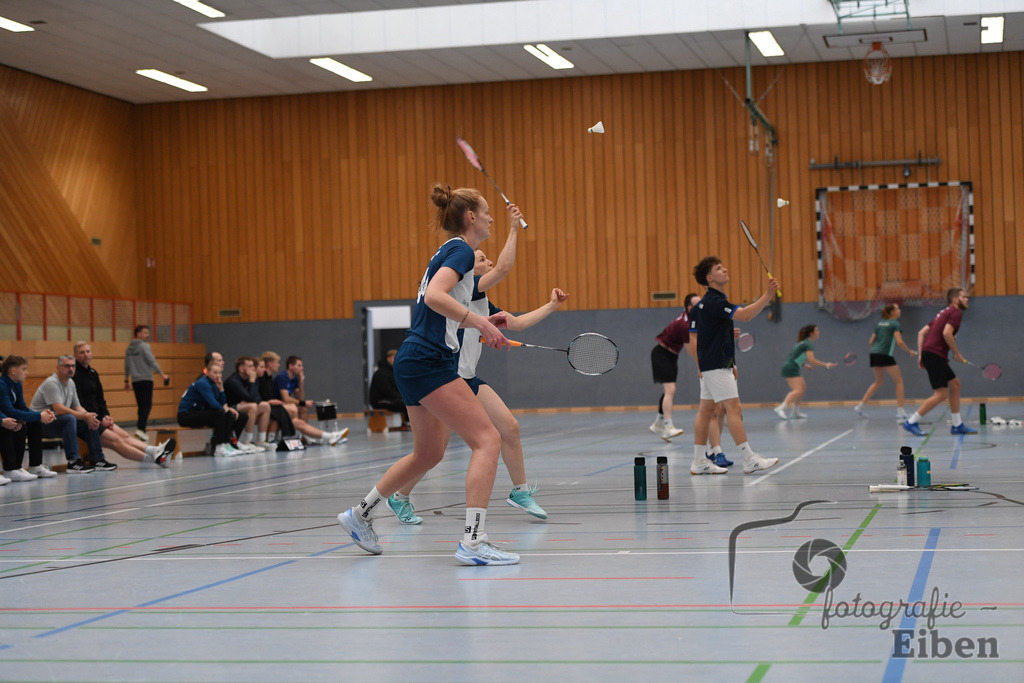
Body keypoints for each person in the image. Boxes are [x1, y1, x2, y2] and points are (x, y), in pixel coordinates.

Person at [337, 184, 519, 566]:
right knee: (487, 440)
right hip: (427, 360)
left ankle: (361, 513)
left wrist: (483, 321)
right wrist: (480, 324)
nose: (490, 217)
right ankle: (473, 540)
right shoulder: (462, 250)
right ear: (470, 217)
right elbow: (436, 296)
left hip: (415, 358)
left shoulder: (451, 252)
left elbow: (446, 305)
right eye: (486, 212)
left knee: (429, 452)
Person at [388, 242, 569, 525]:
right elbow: (503, 269)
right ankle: (399, 496)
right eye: (482, 259)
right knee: (433, 452)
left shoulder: (481, 301)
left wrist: (551, 305)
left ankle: (520, 491)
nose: (488, 262)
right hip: (447, 380)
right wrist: (512, 228)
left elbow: (517, 324)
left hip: (468, 378)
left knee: (509, 427)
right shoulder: (468, 287)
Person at [689, 256, 780, 475]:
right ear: (710, 278)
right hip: (717, 365)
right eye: (719, 268)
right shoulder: (716, 301)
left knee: (706, 410)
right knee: (734, 408)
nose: (725, 269)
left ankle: (699, 461)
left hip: (714, 364)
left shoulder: (703, 305)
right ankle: (749, 458)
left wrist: (731, 360)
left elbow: (707, 336)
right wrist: (768, 295)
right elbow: (746, 315)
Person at [74, 341, 176, 467]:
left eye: (88, 351)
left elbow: (101, 399)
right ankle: (156, 459)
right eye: (82, 352)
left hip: (99, 419)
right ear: (76, 356)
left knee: (125, 435)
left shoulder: (93, 373)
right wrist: (99, 419)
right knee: (117, 440)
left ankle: (155, 451)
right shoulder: (74, 376)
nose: (85, 355)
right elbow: (79, 403)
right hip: (87, 421)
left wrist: (106, 416)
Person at [902, 288, 977, 436]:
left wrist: (921, 355)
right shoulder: (955, 313)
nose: (967, 299)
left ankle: (957, 425)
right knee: (941, 394)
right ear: (955, 300)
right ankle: (911, 422)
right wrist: (957, 354)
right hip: (935, 354)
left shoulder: (942, 313)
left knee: (955, 385)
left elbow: (921, 332)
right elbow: (946, 333)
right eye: (963, 297)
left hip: (932, 354)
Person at [30, 355, 114, 472]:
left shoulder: (70, 383)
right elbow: (59, 409)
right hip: (39, 424)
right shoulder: (52, 383)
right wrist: (84, 416)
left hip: (56, 421)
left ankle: (97, 459)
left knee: (89, 419)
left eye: (73, 366)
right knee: (70, 418)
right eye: (67, 366)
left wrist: (89, 416)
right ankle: (74, 462)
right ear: (58, 367)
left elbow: (77, 406)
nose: (71, 369)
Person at [649, 293, 699, 441]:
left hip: (672, 355)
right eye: (698, 305)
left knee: (669, 391)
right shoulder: (685, 324)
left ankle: (658, 423)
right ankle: (668, 426)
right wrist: (700, 366)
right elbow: (691, 351)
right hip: (661, 354)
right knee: (670, 390)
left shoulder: (694, 319)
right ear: (689, 308)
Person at [853, 304, 918, 420]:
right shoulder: (895, 324)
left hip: (874, 353)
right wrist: (909, 351)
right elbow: (899, 342)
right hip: (884, 354)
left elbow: (871, 341)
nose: (899, 310)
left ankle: (860, 406)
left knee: (878, 381)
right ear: (892, 312)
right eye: (898, 308)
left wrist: (878, 348)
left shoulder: (879, 324)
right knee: (899, 382)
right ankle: (900, 411)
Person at [0, 355, 59, 482]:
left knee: (34, 422)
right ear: (13, 371)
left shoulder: (16, 385)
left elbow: (22, 408)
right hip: (4, 419)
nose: (27, 372)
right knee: (13, 425)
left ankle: (35, 466)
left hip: (6, 417)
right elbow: (8, 410)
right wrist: (38, 415)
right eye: (24, 369)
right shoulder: (2, 385)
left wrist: (41, 415)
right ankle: (11, 469)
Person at [177, 360, 249, 457]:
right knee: (221, 413)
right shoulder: (203, 383)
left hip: (197, 413)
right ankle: (218, 446)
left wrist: (221, 389)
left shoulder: (214, 384)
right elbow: (214, 404)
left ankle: (230, 443)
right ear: (207, 372)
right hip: (186, 415)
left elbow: (222, 402)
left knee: (241, 416)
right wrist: (226, 409)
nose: (218, 375)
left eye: (219, 373)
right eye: (215, 373)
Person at [273, 356, 348, 446]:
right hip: (278, 407)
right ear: (291, 366)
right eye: (299, 365)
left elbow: (299, 398)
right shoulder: (283, 377)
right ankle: (329, 436)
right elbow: (285, 398)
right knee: (297, 412)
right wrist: (303, 403)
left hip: (284, 407)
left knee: (303, 409)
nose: (302, 368)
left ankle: (306, 437)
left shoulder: (295, 379)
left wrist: (301, 382)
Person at [774, 325, 837, 420]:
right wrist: (826, 364)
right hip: (791, 367)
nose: (818, 332)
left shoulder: (802, 343)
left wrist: (804, 365)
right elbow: (812, 360)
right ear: (811, 333)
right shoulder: (808, 344)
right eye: (816, 330)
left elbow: (795, 357)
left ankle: (795, 412)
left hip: (792, 366)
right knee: (798, 390)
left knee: (802, 389)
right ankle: (781, 408)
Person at [124, 325, 170, 441]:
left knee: (141, 405)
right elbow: (151, 361)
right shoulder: (144, 346)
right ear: (138, 334)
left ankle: (142, 430)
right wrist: (162, 374)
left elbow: (127, 365)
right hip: (146, 379)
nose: (147, 335)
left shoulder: (129, 348)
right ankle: (141, 428)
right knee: (147, 405)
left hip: (135, 380)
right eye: (145, 332)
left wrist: (126, 379)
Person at [224, 356, 271, 451]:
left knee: (265, 406)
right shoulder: (234, 381)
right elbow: (252, 399)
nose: (253, 368)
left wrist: (250, 396)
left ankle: (261, 440)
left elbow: (258, 398)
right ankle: (247, 441)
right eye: (249, 366)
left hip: (243, 406)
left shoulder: (249, 379)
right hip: (230, 407)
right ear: (241, 369)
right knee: (252, 406)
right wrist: (252, 381)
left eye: (253, 366)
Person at [257, 353, 294, 444]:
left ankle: (274, 437)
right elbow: (260, 395)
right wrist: (269, 401)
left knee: (281, 410)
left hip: (269, 404)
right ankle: (274, 437)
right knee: (283, 410)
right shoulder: (261, 378)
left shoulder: (269, 378)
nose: (279, 365)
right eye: (277, 362)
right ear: (269, 364)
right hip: (263, 405)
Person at [368, 350, 409, 428]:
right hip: (379, 400)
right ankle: (407, 423)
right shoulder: (381, 373)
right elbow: (386, 391)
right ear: (388, 358)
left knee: (408, 401)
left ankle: (406, 422)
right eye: (394, 358)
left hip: (388, 398)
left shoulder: (392, 372)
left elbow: (396, 388)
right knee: (405, 403)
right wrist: (401, 397)